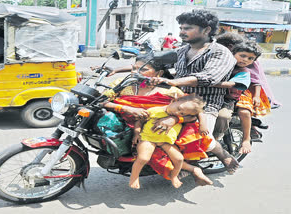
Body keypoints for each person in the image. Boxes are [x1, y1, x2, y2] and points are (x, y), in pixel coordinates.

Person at [103, 53, 213, 186]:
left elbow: (193, 111)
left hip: (160, 131)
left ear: (159, 73)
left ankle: (191, 170)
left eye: (143, 69)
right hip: (129, 127)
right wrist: (126, 109)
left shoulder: (172, 91)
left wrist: (173, 119)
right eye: (134, 68)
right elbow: (102, 101)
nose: (135, 72)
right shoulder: (122, 83)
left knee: (163, 155)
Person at [150, 10, 239, 174]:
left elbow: (209, 77)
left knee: (201, 137)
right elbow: (157, 64)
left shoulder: (220, 52)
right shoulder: (182, 50)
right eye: (181, 28)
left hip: (205, 104)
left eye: (188, 28)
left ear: (206, 30)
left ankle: (221, 153)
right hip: (178, 99)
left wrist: (174, 81)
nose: (182, 32)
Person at [129, 94, 206, 189]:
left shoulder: (179, 119)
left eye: (182, 113)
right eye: (178, 108)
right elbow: (139, 121)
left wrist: (203, 125)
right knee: (143, 158)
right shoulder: (155, 111)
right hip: (148, 139)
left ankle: (174, 176)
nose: (177, 113)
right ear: (173, 101)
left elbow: (196, 116)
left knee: (179, 159)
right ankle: (134, 178)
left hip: (165, 142)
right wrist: (136, 133)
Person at [234, 42, 271, 154]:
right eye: (242, 56)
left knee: (244, 111)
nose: (245, 60)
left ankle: (246, 138)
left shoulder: (250, 67)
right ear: (233, 53)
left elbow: (256, 82)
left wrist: (256, 96)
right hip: (224, 91)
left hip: (243, 91)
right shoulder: (225, 62)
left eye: (250, 58)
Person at [213, 32, 249, 141]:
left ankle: (215, 139)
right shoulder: (217, 61)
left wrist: (208, 82)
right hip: (210, 96)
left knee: (223, 116)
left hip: (227, 100)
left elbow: (230, 84)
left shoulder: (242, 69)